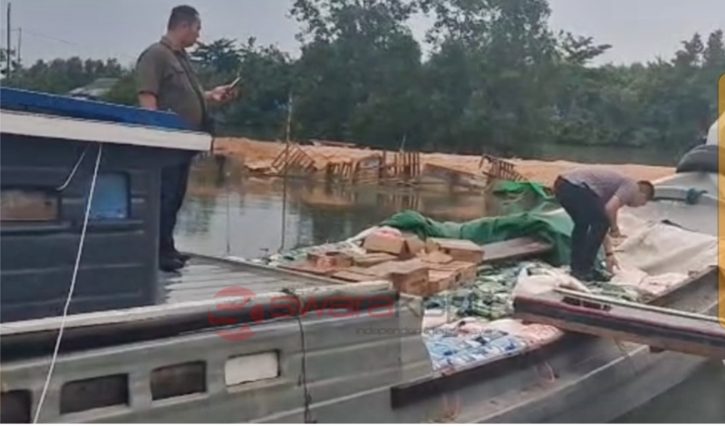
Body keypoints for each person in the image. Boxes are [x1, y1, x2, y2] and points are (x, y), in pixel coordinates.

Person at [136, 5, 238, 272]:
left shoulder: (180, 59)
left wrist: (212, 95)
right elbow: (147, 96)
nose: (198, 35)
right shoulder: (156, 55)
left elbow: (187, 96)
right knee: (164, 197)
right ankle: (156, 253)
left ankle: (167, 247)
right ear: (183, 26)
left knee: (175, 197)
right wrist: (155, 134)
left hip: (184, 143)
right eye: (197, 29)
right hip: (166, 142)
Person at [553, 168, 655, 281]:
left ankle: (577, 269)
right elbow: (610, 210)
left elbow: (601, 229)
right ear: (642, 194)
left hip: (562, 186)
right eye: (642, 203)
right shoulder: (632, 186)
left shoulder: (607, 193)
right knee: (600, 222)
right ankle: (585, 269)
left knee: (583, 225)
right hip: (575, 186)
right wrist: (615, 229)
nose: (637, 206)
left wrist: (609, 253)